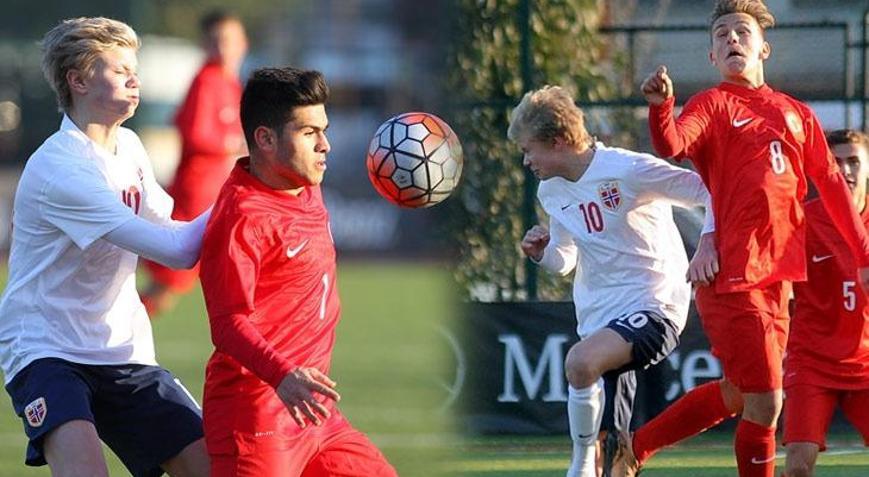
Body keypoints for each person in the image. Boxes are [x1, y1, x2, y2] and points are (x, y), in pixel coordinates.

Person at [616, 1, 869, 476]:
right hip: (734, 276)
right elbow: (672, 144)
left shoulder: (796, 113)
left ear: (763, 47)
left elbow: (832, 185)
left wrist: (862, 254)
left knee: (740, 393)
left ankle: (635, 447)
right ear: (712, 56)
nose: (732, 39)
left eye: (742, 31)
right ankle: (636, 449)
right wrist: (662, 108)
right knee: (769, 400)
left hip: (779, 282)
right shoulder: (712, 104)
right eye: (722, 35)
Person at [0, 17, 211, 477]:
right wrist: (249, 188)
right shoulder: (63, 169)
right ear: (77, 80)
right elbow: (175, 253)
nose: (134, 79)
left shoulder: (131, 147)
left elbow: (174, 233)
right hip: (46, 349)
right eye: (119, 70)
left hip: (123, 349)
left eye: (134, 69)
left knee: (211, 467)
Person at [198, 66, 398, 477]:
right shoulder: (243, 216)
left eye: (324, 130)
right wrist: (282, 375)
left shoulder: (307, 183)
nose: (325, 144)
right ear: (265, 139)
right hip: (256, 418)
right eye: (309, 133)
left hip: (315, 412)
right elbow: (227, 322)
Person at [509, 85, 718, 477]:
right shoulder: (551, 190)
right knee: (617, 458)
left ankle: (579, 466)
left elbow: (709, 191)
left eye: (528, 149)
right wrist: (543, 253)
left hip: (655, 307)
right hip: (600, 319)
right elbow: (565, 260)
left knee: (579, 362)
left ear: (556, 142)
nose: (526, 160)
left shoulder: (628, 170)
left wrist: (707, 245)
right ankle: (600, 463)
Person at [142, 9, 248, 316]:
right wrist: (237, 144)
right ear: (205, 44)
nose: (223, 48)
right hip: (197, 198)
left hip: (217, 196)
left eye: (229, 40)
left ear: (244, 43)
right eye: (216, 41)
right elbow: (194, 133)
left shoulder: (229, 83)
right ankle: (98, 335)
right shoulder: (207, 80)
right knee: (165, 287)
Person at [782, 129, 869, 477]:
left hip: (865, 363)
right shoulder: (800, 222)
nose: (845, 171)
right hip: (812, 362)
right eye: (836, 163)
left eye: (854, 161)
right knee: (799, 466)